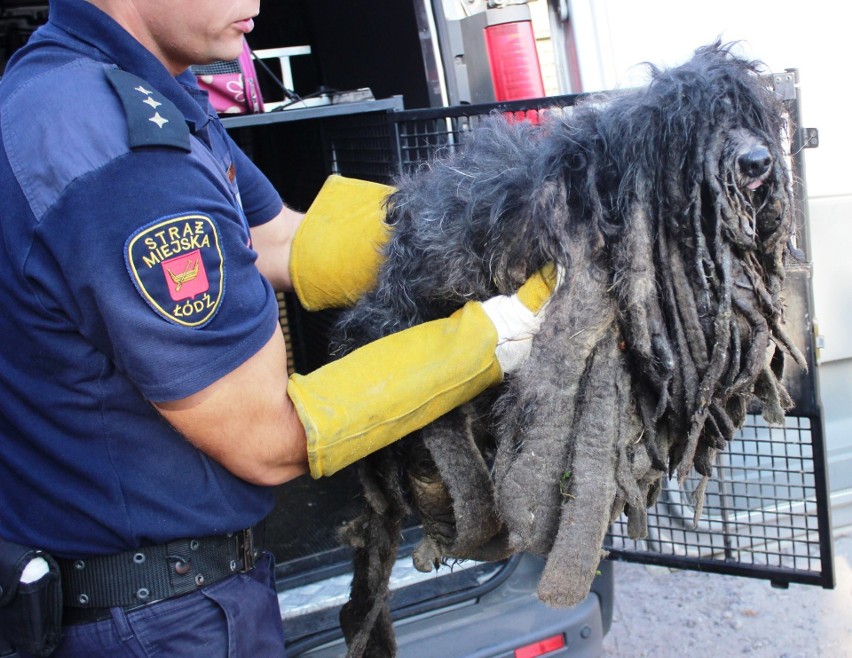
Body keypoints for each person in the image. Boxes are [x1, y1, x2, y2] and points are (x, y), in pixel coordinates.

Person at [0, 0, 557, 656]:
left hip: (166, 597)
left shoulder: (107, 85)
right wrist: (504, 330)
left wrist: (484, 226)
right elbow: (265, 435)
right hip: (156, 620)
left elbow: (282, 240)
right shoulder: (117, 153)